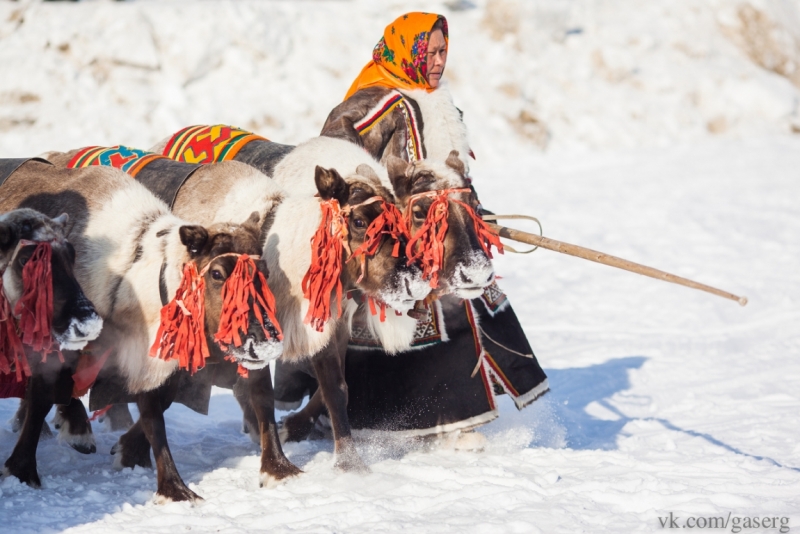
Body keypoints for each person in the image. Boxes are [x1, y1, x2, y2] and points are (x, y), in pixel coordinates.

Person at [275, 12, 548, 441]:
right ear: (409, 51)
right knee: (424, 311)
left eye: (443, 51)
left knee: (471, 296)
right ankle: (412, 418)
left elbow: (451, 176)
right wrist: (385, 210)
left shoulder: (439, 102)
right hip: (393, 239)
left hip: (445, 232)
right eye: (431, 51)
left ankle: (451, 413)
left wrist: (473, 216)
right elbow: (335, 156)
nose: (439, 60)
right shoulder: (374, 102)